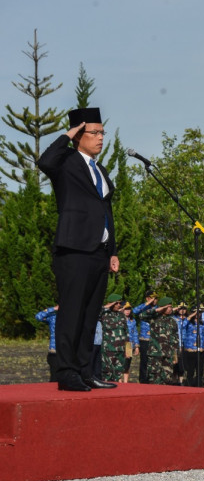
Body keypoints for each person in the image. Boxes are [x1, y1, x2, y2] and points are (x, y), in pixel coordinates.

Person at [37, 107, 119, 392]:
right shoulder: (67, 162)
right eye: (94, 132)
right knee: (71, 313)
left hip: (99, 252)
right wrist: (66, 134)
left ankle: (86, 371)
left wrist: (113, 250)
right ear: (78, 135)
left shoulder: (100, 169)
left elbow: (106, 210)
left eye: (102, 132)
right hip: (73, 249)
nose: (100, 138)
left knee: (90, 314)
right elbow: (45, 161)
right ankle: (67, 372)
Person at [139, 297, 180, 385]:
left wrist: (175, 355)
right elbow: (141, 315)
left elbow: (176, 339)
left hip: (168, 354)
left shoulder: (172, 321)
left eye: (170, 307)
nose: (170, 309)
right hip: (155, 353)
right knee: (154, 378)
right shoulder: (154, 318)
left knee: (167, 378)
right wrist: (158, 309)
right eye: (168, 307)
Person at [99, 293, 128, 383]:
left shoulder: (121, 315)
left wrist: (128, 349)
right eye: (117, 303)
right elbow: (95, 312)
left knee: (118, 372)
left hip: (120, 348)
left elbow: (126, 332)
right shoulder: (104, 314)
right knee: (107, 372)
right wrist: (109, 305)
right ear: (111, 303)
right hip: (109, 348)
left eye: (120, 303)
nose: (119, 305)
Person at [181, 308, 204, 387]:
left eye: (199, 313)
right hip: (190, 349)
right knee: (190, 370)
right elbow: (182, 326)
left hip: (200, 349)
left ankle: (199, 385)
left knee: (200, 370)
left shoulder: (202, 323)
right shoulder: (188, 322)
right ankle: (189, 385)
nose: (198, 314)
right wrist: (191, 316)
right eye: (196, 312)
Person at [132, 294, 156, 383]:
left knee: (153, 361)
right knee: (144, 361)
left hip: (155, 339)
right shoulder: (143, 307)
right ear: (147, 298)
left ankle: (152, 379)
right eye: (152, 298)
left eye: (156, 298)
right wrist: (147, 303)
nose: (154, 300)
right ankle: (143, 380)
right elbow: (134, 311)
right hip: (144, 338)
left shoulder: (159, 308)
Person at [34, 305, 59, 381]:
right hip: (54, 351)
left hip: (68, 351)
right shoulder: (53, 317)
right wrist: (53, 309)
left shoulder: (72, 317)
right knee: (54, 378)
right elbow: (38, 316)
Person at [122, 302, 138, 383]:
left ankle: (125, 383)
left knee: (127, 365)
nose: (127, 311)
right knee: (120, 363)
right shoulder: (120, 319)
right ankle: (118, 381)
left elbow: (135, 333)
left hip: (129, 344)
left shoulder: (132, 320)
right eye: (125, 309)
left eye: (129, 309)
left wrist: (137, 346)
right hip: (120, 343)